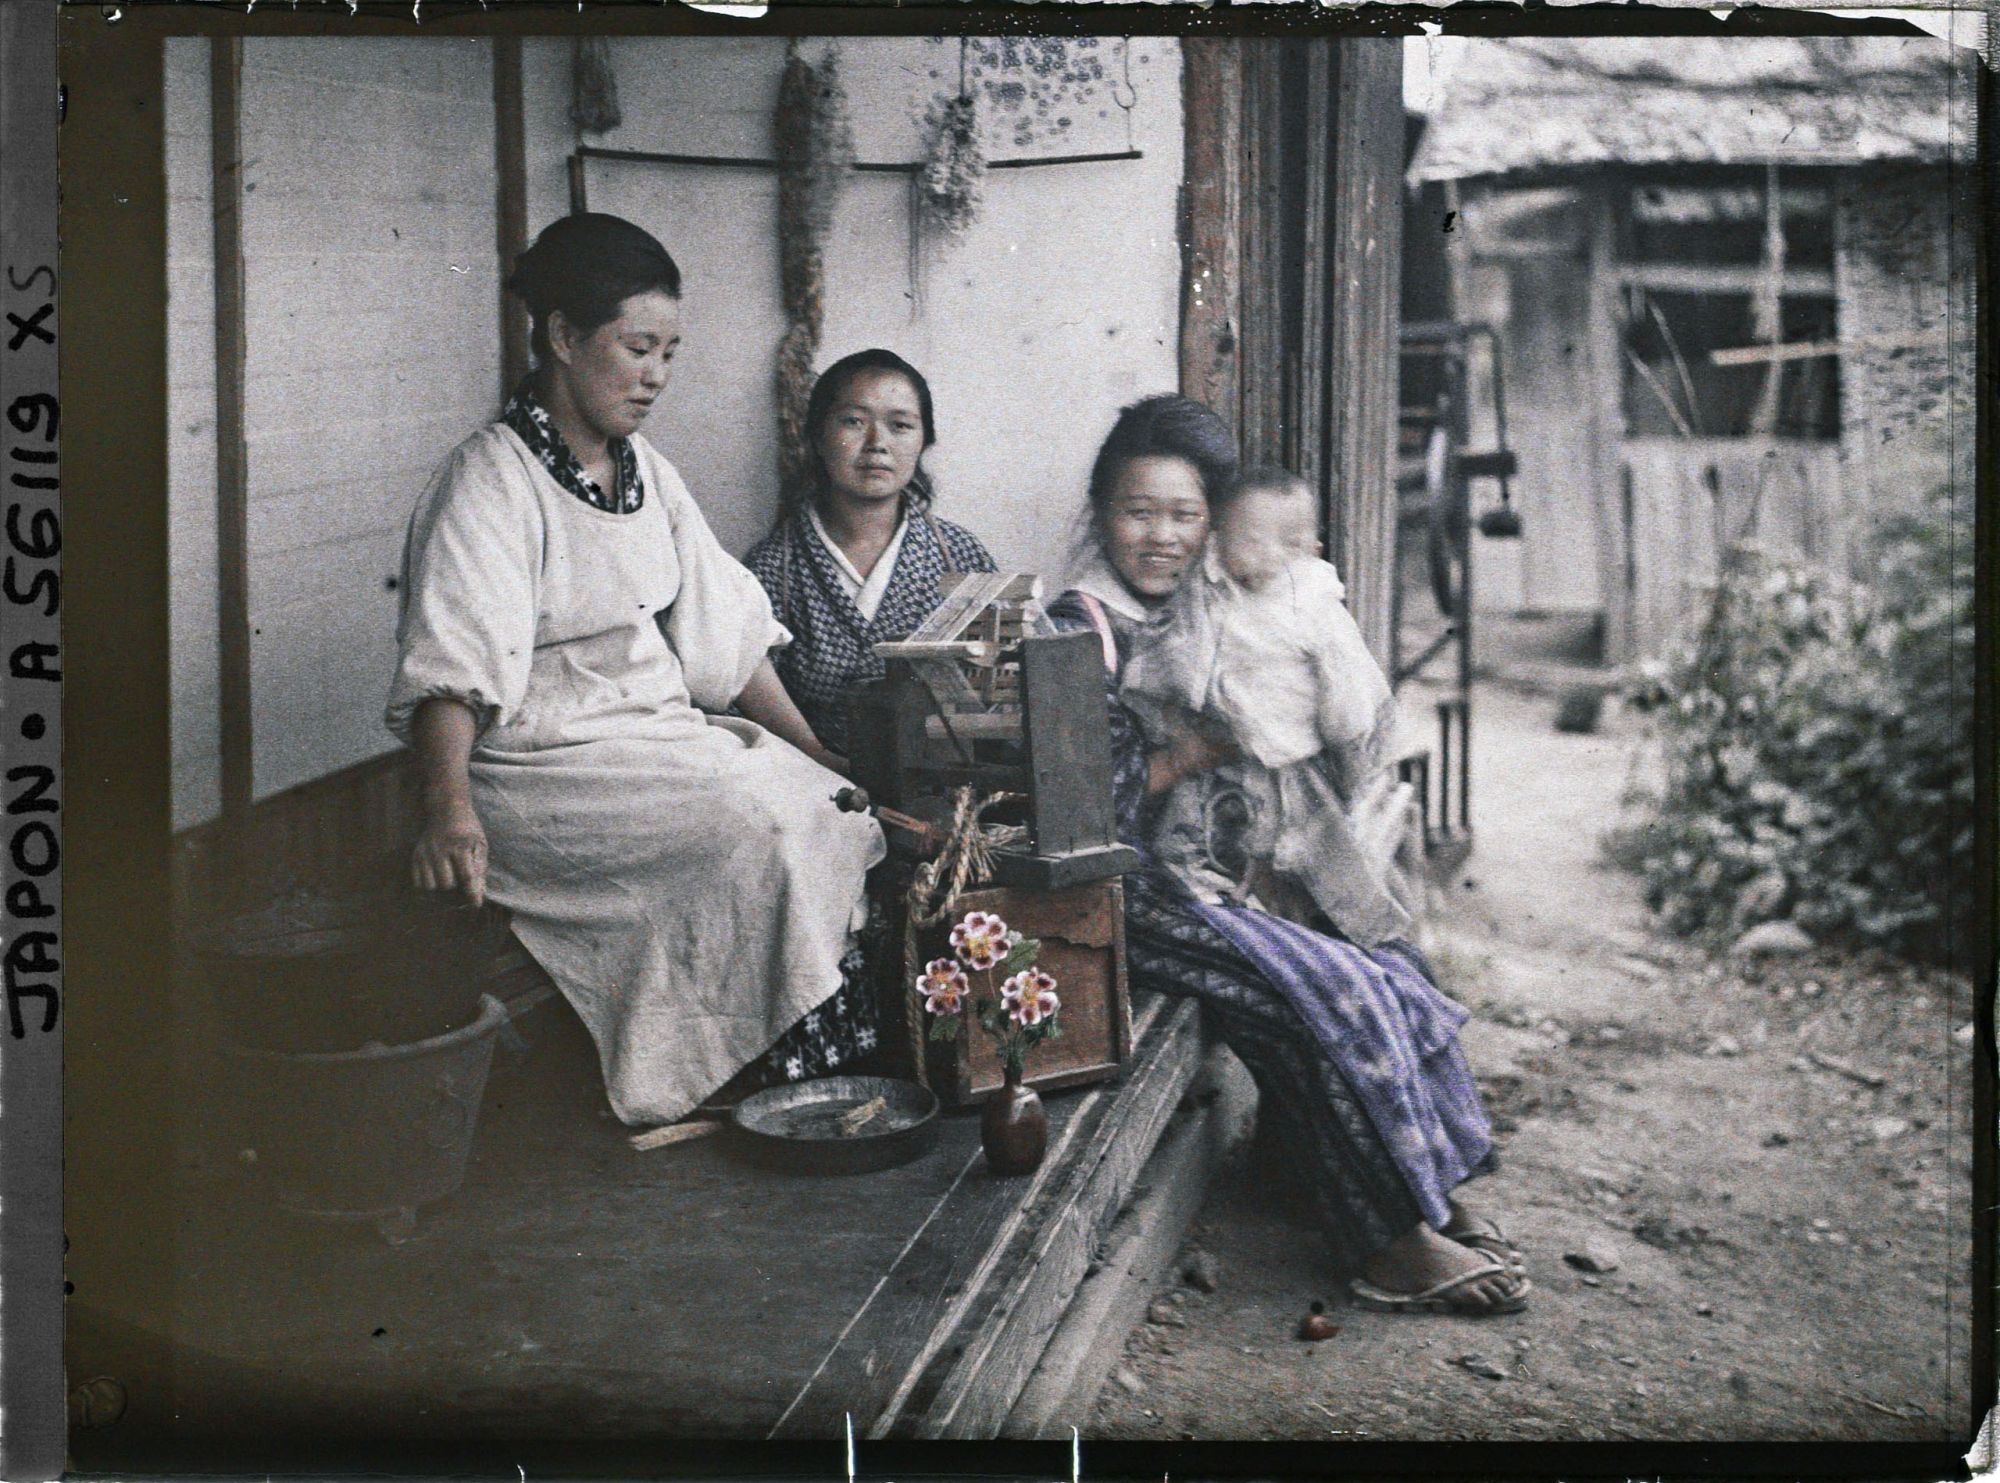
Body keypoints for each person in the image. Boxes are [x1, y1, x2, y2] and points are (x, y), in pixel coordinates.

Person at [386, 213, 885, 1128]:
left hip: (650, 745)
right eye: (637, 347)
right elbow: (450, 669)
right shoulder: (488, 482)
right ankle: (742, 1075)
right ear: (565, 338)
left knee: (820, 805)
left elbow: (727, 638)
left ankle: (812, 1071)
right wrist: (448, 807)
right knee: (757, 821)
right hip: (542, 768)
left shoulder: (647, 472)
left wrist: (820, 755)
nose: (656, 374)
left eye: (670, 351)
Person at [1049, 395, 1530, 1316]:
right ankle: (1383, 1241)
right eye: (1135, 511)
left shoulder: (1224, 597)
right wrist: (1203, 752)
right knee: (1325, 989)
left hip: (1235, 864)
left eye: (1185, 515)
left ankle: (1413, 1189)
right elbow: (1090, 812)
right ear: (1100, 512)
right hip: (1138, 887)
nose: (1160, 537)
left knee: (1386, 962)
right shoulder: (1085, 626)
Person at [1120, 464, 1413, 949]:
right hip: (1212, 761)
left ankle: (1326, 944)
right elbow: (1166, 656)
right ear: (1218, 538)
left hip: (1291, 767)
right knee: (1194, 861)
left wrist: (1350, 747)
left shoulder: (1314, 606)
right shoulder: (1205, 591)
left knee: (1306, 868)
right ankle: (1223, 917)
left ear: (1311, 546)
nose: (1274, 554)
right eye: (1252, 539)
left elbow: (1351, 690)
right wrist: (1165, 710)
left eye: (1292, 541)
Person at [744, 348, 996, 757]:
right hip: (815, 784)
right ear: (818, 437)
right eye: (854, 422)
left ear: (924, 441)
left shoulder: (961, 556)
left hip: (950, 788)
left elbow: (1006, 690)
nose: (877, 444)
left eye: (900, 425)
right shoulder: (772, 570)